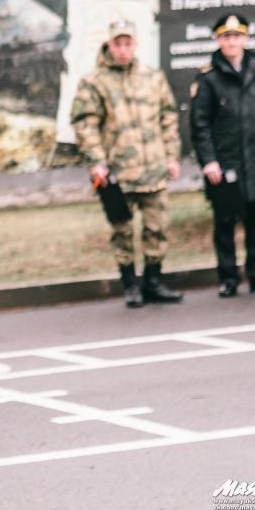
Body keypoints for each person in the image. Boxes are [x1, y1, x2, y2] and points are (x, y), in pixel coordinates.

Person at [70, 20, 183, 308]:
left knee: (157, 228)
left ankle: (154, 282)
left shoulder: (152, 77)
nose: (123, 49)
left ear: (135, 44)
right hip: (116, 174)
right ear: (109, 44)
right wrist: (96, 163)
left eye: (128, 43)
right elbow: (85, 125)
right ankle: (130, 284)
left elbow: (168, 117)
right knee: (122, 230)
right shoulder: (94, 81)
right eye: (118, 43)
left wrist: (171, 156)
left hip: (154, 168)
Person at [190, 14, 255, 297]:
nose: (232, 42)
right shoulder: (209, 78)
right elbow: (200, 125)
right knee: (225, 222)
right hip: (225, 163)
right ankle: (229, 277)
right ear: (218, 40)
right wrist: (209, 161)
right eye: (226, 36)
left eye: (237, 36)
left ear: (245, 38)